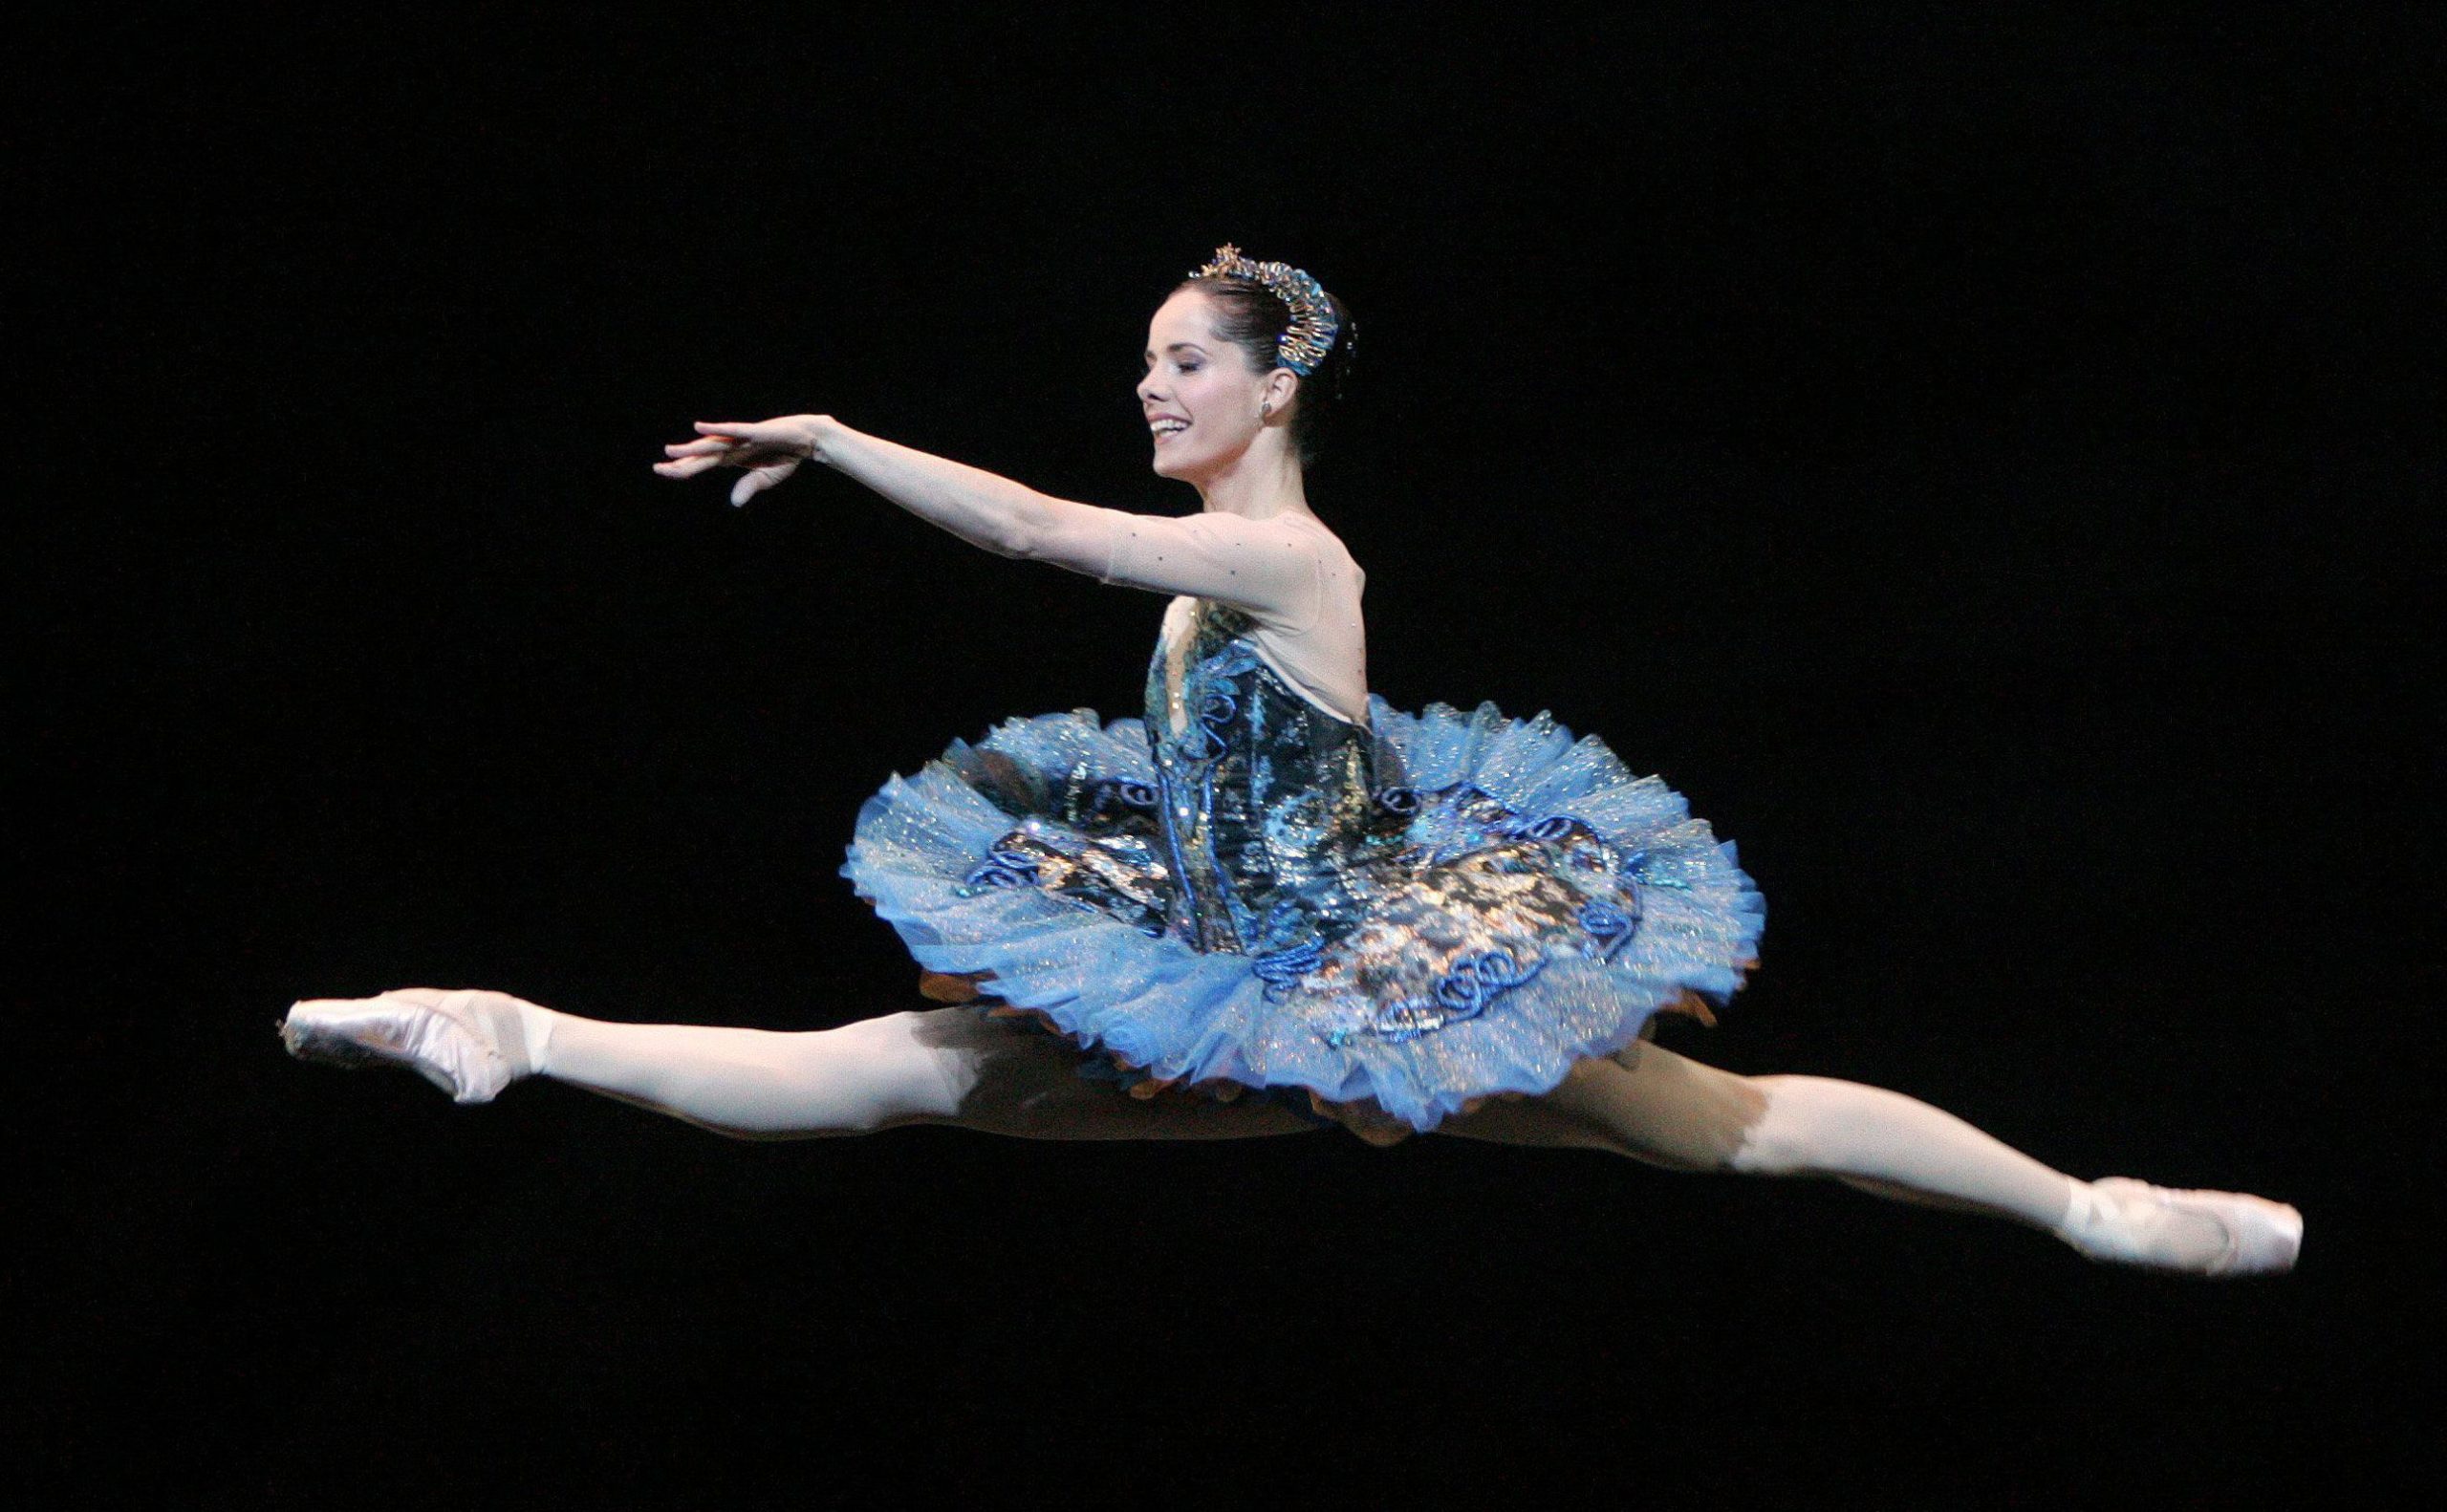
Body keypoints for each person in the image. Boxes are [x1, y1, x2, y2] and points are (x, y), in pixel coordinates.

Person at [282, 245, 2301, 1277]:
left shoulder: (1282, 556)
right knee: (904, 1074)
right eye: (1147, 357)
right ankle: (512, 1026)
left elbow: (1035, 533)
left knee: (1724, 1127)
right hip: (1231, 966)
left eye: (1183, 360)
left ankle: (2093, 1209)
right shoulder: (1222, 573)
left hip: (1376, 971)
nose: (1148, 382)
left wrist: (831, 434)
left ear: (1273, 384)